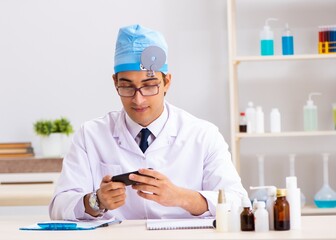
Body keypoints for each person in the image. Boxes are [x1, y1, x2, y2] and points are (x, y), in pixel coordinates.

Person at [49, 24, 248, 220]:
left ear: (167, 82)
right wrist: (97, 200)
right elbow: (59, 206)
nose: (138, 99)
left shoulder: (203, 134)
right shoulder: (91, 134)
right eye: (127, 87)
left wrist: (182, 197)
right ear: (115, 82)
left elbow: (237, 201)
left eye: (149, 86)